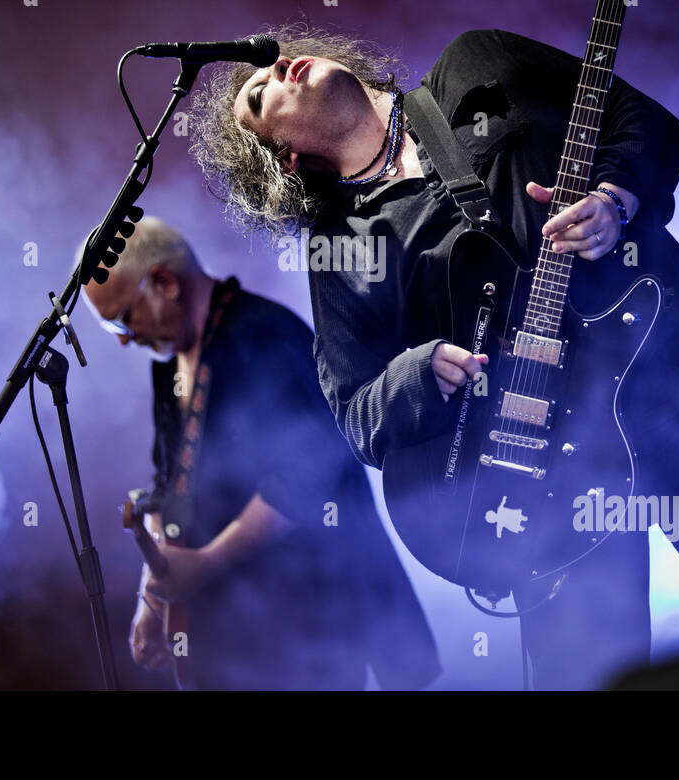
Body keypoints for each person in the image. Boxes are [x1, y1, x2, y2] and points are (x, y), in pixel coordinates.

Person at [189, 24, 679, 689]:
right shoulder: (340, 247)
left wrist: (615, 198)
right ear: (284, 159)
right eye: (259, 95)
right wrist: (418, 371)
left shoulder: (477, 63)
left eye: (274, 60)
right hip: (542, 483)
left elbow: (642, 120)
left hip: (677, 385)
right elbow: (355, 414)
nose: (277, 69)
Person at [77, 215, 439, 690]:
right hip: (231, 629)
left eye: (120, 319)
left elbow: (309, 473)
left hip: (309, 622)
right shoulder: (166, 363)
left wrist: (208, 562)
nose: (123, 339)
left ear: (164, 283)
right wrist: (155, 598)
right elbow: (167, 482)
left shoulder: (266, 332)